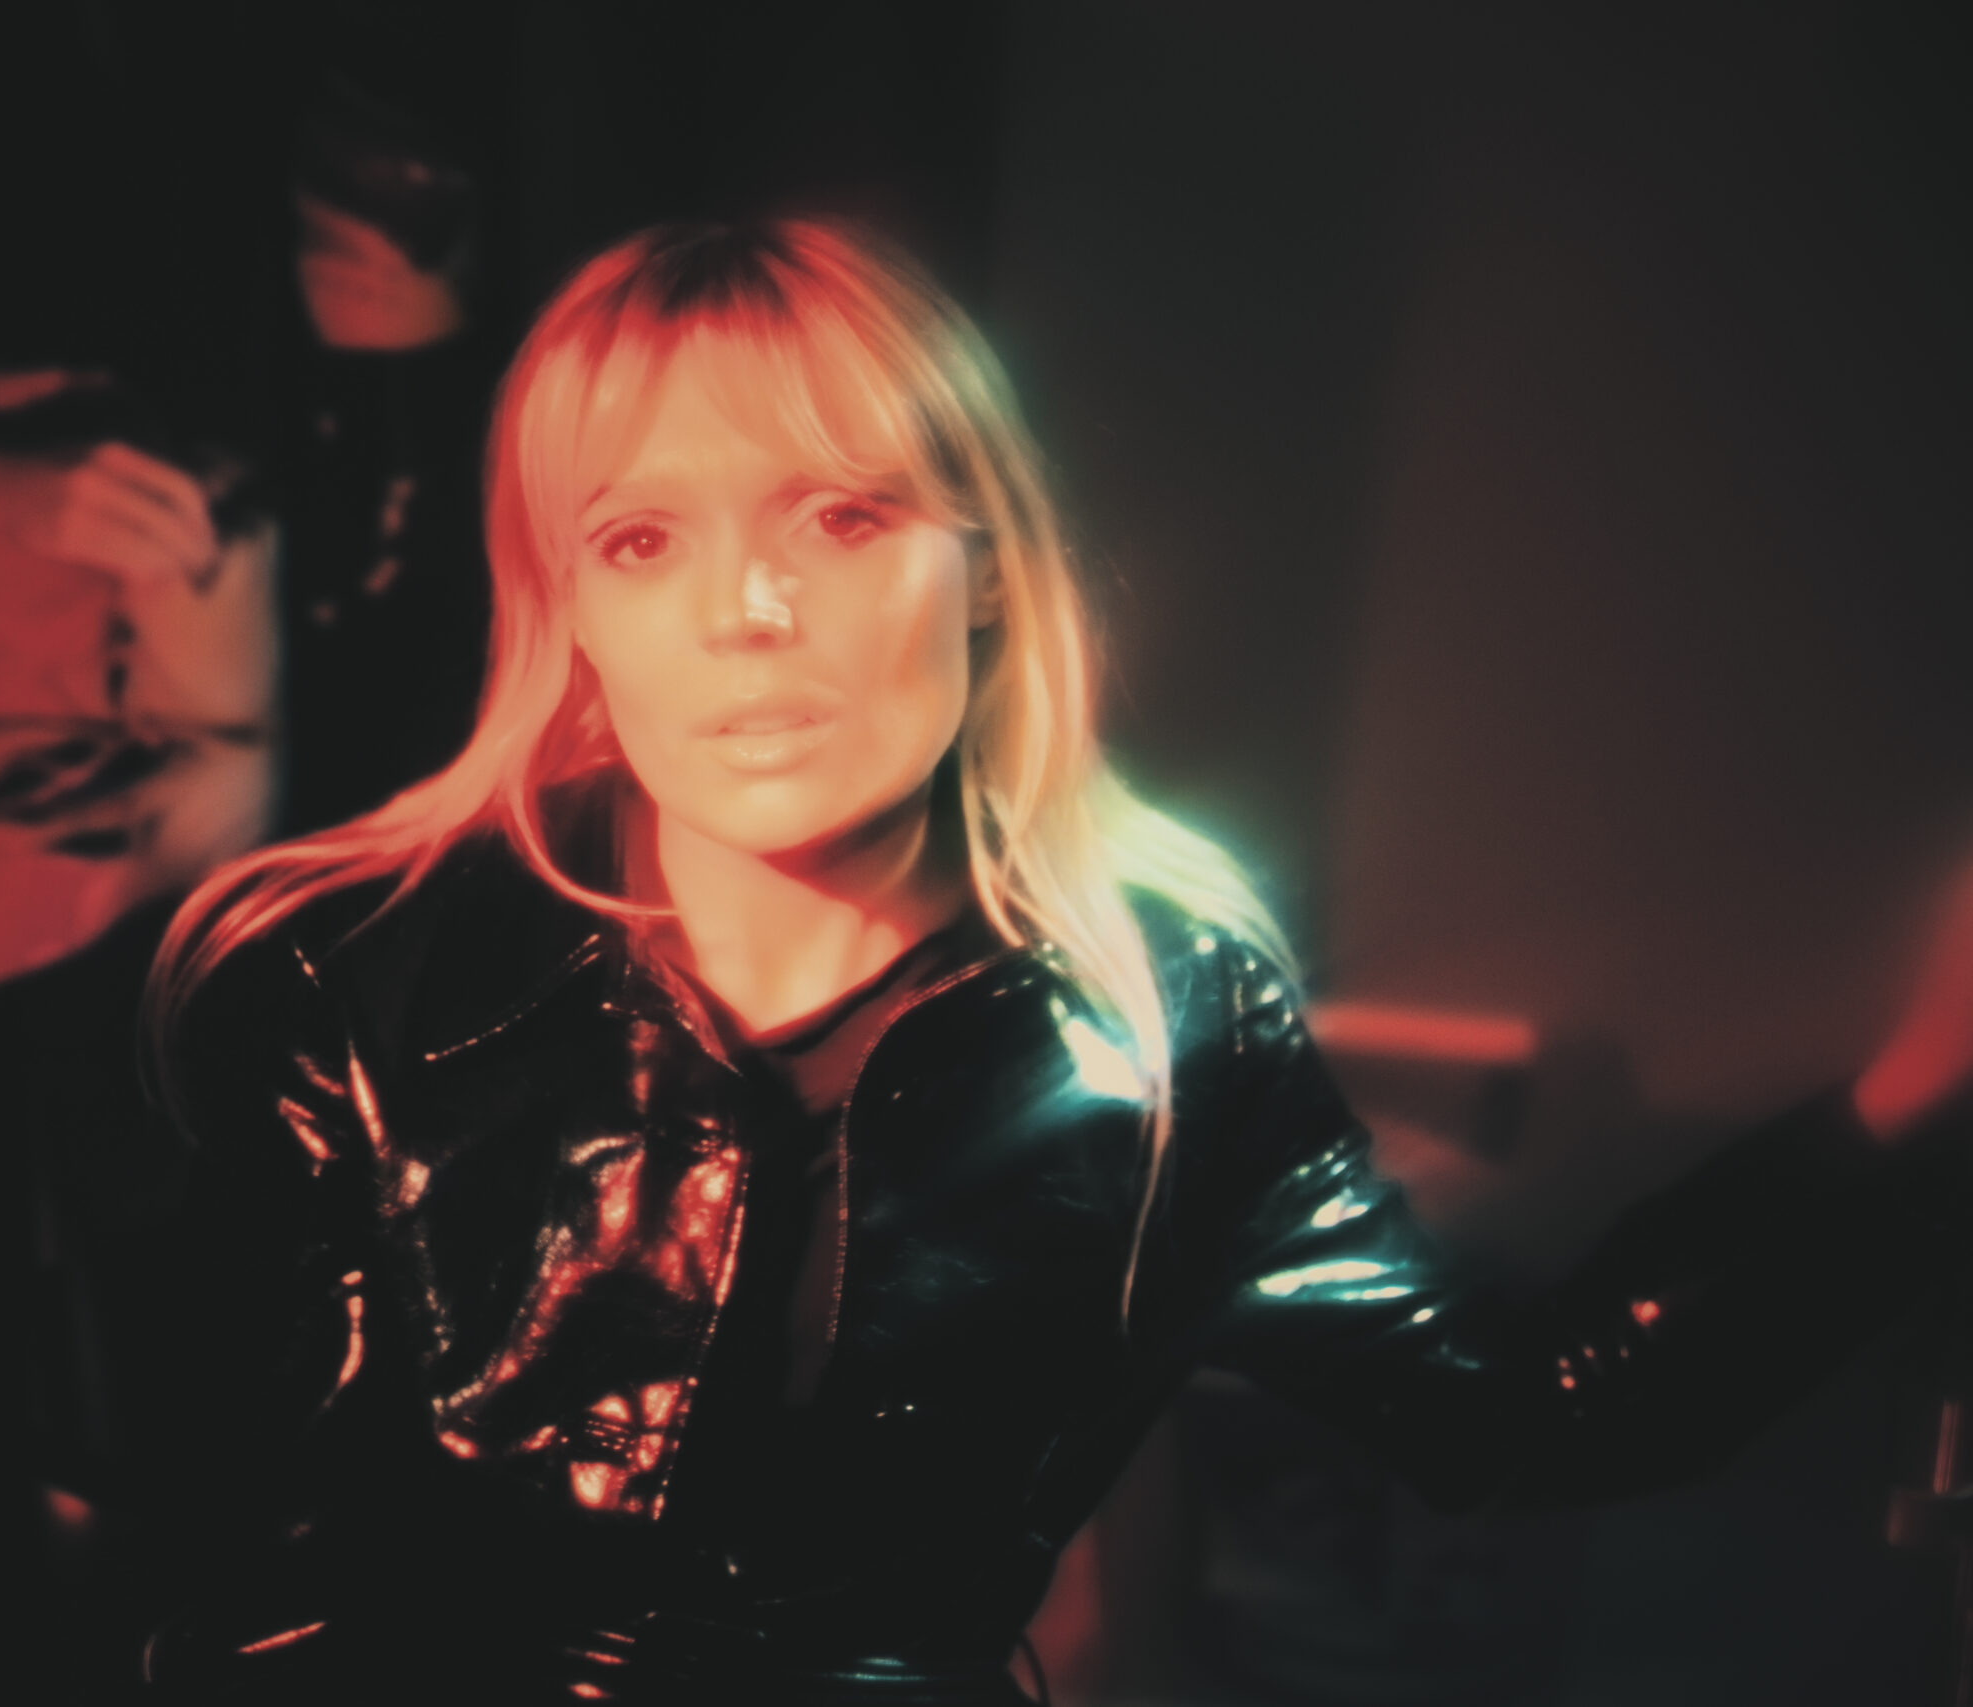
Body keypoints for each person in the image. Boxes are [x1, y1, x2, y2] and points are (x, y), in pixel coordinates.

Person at [130, 219, 1973, 1705]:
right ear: (576, 613)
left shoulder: (1171, 1026)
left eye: (839, 515)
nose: (746, 609)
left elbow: (1519, 1409)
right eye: (641, 537)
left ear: (990, 567)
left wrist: (1926, 1073)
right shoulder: (346, 981)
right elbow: (231, 1581)